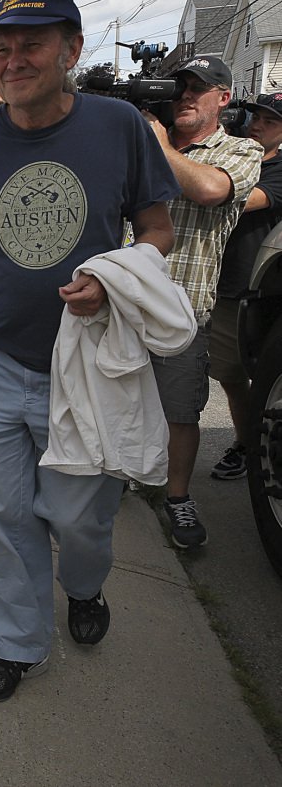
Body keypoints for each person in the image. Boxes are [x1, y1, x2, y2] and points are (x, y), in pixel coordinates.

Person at [0, 0, 179, 701]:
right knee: (3, 515)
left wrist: (113, 279)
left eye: (30, 44)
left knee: (77, 516)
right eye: (0, 48)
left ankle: (85, 584)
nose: (12, 59)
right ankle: (18, 642)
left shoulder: (118, 126)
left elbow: (158, 231)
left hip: (85, 365)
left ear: (71, 49)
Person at [140, 56, 262, 548]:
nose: (185, 96)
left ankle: (177, 499)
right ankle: (117, 478)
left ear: (224, 98)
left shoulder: (240, 150)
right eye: (179, 88)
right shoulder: (145, 141)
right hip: (120, 305)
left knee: (180, 413)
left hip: (183, 309)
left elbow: (211, 190)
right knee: (110, 401)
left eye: (199, 88)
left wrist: (159, 144)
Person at [208, 93, 282, 480]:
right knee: (230, 377)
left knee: (262, 378)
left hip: (257, 292)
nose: (257, 124)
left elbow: (245, 199)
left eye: (269, 121)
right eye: (256, 116)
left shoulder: (279, 168)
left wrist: (212, 182)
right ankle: (246, 442)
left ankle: (256, 447)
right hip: (218, 282)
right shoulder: (229, 154)